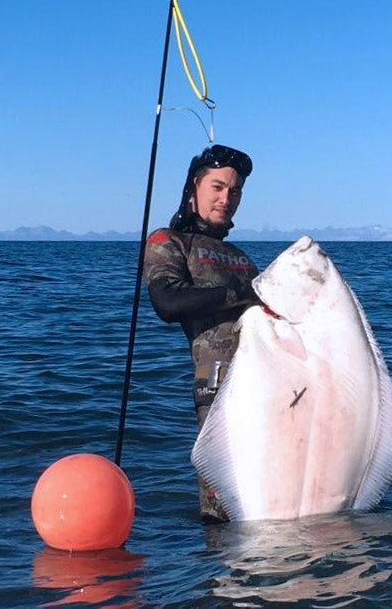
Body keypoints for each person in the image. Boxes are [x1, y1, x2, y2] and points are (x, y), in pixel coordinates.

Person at [143, 144, 259, 521]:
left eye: (235, 191)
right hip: (217, 393)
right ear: (194, 186)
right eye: (218, 186)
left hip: (267, 387)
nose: (227, 198)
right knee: (223, 515)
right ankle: (217, 576)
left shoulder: (242, 258)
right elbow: (167, 302)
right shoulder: (168, 241)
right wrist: (236, 295)